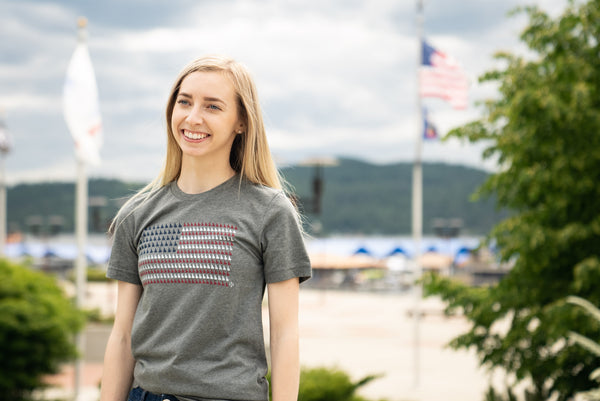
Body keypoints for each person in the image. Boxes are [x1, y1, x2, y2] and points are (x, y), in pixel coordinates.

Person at [100, 55, 311, 401]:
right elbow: (122, 336)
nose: (193, 117)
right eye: (185, 102)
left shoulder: (270, 211)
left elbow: (286, 333)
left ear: (241, 122)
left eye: (212, 106)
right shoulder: (136, 214)